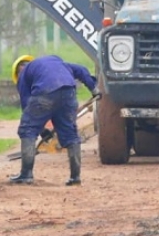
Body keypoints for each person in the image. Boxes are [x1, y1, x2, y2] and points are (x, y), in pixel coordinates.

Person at [10, 54, 98, 186]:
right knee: (70, 134)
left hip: (44, 92)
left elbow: (27, 105)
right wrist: (94, 89)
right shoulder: (57, 63)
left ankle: (26, 175)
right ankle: (75, 177)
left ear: (18, 71)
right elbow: (82, 70)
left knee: (27, 129)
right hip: (69, 92)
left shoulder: (23, 76)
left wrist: (40, 130)